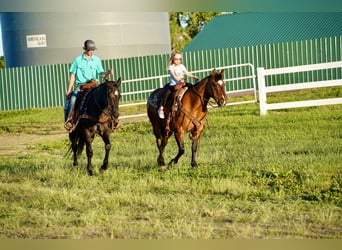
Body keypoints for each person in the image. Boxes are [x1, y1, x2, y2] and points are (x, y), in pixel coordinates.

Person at [64, 39, 113, 131]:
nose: (91, 52)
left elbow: (101, 74)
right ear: (85, 49)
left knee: (106, 97)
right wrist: (69, 90)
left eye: (93, 50)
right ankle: (69, 120)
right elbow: (72, 75)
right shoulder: (78, 60)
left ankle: (112, 120)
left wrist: (107, 72)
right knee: (73, 99)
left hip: (94, 84)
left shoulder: (97, 60)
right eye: (90, 50)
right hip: (82, 85)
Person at [158, 51, 199, 119]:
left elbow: (187, 73)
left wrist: (194, 76)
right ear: (173, 59)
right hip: (174, 84)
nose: (178, 61)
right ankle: (162, 107)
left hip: (182, 83)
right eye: (176, 59)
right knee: (167, 92)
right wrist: (179, 80)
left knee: (191, 87)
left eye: (180, 59)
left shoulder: (182, 66)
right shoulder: (171, 67)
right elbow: (174, 76)